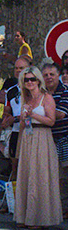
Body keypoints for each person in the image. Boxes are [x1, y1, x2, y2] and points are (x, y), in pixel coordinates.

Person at [15, 66, 62, 228]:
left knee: (40, 176)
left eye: (32, 79)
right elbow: (23, 124)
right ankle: (25, 216)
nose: (29, 82)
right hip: (28, 137)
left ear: (38, 80)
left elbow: (51, 121)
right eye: (26, 79)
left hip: (42, 137)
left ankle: (41, 218)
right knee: (27, 175)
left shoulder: (46, 98)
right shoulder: (26, 99)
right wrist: (24, 117)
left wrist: (33, 114)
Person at [42, 62, 68, 218]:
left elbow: (61, 114)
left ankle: (64, 208)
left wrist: (39, 111)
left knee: (64, 176)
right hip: (47, 139)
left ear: (58, 75)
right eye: (46, 75)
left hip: (65, 138)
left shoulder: (65, 92)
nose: (49, 77)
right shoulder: (41, 92)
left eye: (52, 74)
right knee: (53, 177)